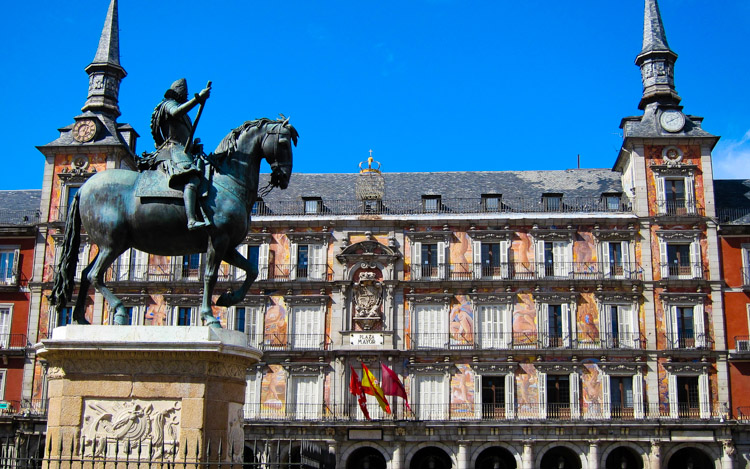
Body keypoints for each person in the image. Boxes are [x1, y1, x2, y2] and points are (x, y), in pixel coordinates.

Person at [150, 78, 211, 230]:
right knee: (192, 178)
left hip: (183, 150)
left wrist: (193, 146)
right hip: (172, 150)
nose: (186, 95)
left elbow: (184, 135)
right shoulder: (168, 104)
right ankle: (191, 219)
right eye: (184, 93)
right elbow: (176, 112)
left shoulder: (183, 112)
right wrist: (198, 99)